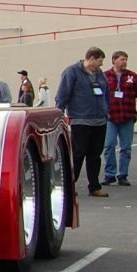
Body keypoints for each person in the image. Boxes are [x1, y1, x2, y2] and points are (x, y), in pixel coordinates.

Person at [55, 47, 111, 198]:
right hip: (80, 120)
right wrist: (59, 112)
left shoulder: (99, 74)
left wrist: (107, 110)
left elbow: (106, 93)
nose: (100, 65)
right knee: (78, 154)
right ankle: (69, 185)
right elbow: (63, 94)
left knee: (95, 155)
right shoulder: (71, 72)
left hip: (99, 120)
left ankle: (94, 187)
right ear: (91, 58)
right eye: (99, 61)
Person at [102, 50, 137, 186]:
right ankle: (109, 174)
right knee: (109, 145)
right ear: (114, 60)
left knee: (126, 148)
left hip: (127, 116)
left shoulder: (133, 77)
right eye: (121, 59)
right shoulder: (104, 76)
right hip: (111, 117)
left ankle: (122, 174)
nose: (124, 62)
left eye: (125, 59)